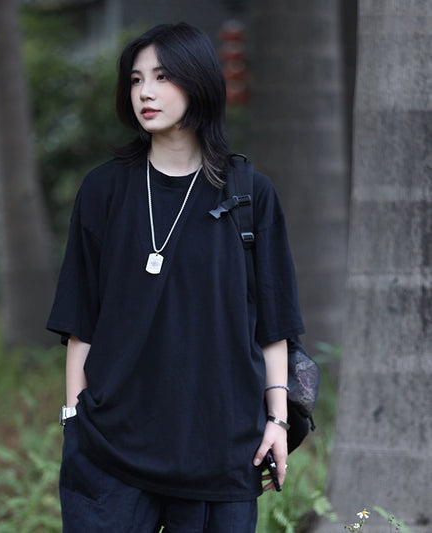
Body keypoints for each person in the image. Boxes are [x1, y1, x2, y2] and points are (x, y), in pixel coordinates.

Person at [47, 22, 304, 533]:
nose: (145, 91)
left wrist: (277, 419)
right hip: (111, 449)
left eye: (162, 77)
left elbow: (273, 325)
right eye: (136, 79)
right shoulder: (103, 190)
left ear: (199, 82)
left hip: (220, 447)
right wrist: (74, 418)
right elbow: (81, 321)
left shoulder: (249, 194)